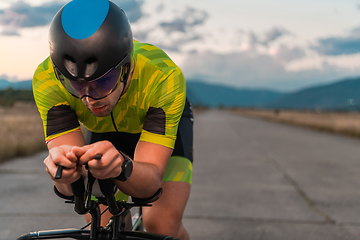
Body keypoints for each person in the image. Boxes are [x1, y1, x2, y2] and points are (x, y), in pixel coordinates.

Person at [32, 0, 193, 239]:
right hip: (104, 133)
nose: (89, 98)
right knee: (105, 227)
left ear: (127, 67)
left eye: (104, 81)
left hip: (157, 131)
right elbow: (71, 184)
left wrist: (122, 166)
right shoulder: (47, 79)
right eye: (75, 84)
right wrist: (63, 175)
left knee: (161, 226)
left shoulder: (164, 76)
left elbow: (149, 185)